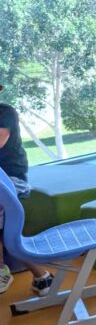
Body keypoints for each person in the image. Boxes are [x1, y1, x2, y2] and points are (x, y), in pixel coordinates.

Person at [0, 92, 52, 296]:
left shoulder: (5, 112)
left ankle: (2, 270)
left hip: (12, 178)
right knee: (5, 229)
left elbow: (0, 139)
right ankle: (42, 277)